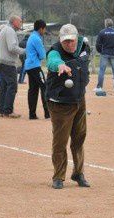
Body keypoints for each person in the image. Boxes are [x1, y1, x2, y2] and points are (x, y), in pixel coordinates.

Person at [45, 24, 91, 190]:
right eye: (65, 42)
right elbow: (52, 61)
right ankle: (58, 176)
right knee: (60, 141)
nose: (69, 44)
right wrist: (59, 65)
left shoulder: (84, 47)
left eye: (71, 41)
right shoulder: (55, 51)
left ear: (77, 38)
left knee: (79, 138)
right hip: (60, 103)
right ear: (60, 41)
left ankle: (78, 173)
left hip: (79, 99)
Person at [0, 15, 25, 118]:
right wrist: (24, 51)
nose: (21, 23)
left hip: (1, 62)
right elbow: (12, 47)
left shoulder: (5, 30)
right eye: (20, 21)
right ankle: (8, 111)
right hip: (7, 63)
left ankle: (2, 110)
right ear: (14, 22)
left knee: (3, 87)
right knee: (12, 86)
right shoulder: (10, 31)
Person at [25, 20, 49, 120]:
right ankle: (48, 113)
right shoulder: (37, 39)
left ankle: (32, 114)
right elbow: (43, 55)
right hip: (35, 66)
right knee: (45, 87)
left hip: (29, 67)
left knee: (33, 90)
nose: (45, 31)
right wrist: (39, 56)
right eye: (44, 29)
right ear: (41, 29)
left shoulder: (31, 37)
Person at [95, 18, 114, 92]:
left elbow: (98, 44)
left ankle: (99, 87)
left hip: (104, 53)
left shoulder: (102, 32)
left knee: (102, 70)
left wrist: (100, 51)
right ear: (112, 24)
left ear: (105, 24)